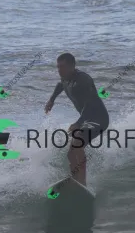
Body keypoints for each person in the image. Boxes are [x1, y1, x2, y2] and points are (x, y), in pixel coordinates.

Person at [44, 53, 109, 186]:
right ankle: (75, 179)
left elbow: (90, 104)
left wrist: (78, 123)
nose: (59, 70)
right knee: (70, 153)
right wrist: (52, 100)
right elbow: (60, 85)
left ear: (72, 66)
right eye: (58, 67)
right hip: (87, 119)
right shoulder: (65, 78)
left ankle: (82, 182)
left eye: (62, 67)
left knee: (77, 141)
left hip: (99, 119)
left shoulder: (83, 80)